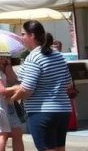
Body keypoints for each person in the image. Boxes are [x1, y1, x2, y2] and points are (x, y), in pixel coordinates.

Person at [14, 20, 74, 151]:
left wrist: (12, 99)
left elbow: (27, 89)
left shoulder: (34, 57)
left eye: (23, 34)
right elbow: (68, 83)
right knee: (60, 149)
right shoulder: (58, 55)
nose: (21, 37)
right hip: (63, 110)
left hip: (41, 112)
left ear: (32, 36)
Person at [1, 58, 25, 151]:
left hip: (7, 103)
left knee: (14, 133)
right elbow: (13, 82)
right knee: (4, 135)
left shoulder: (4, 64)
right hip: (4, 103)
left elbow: (13, 81)